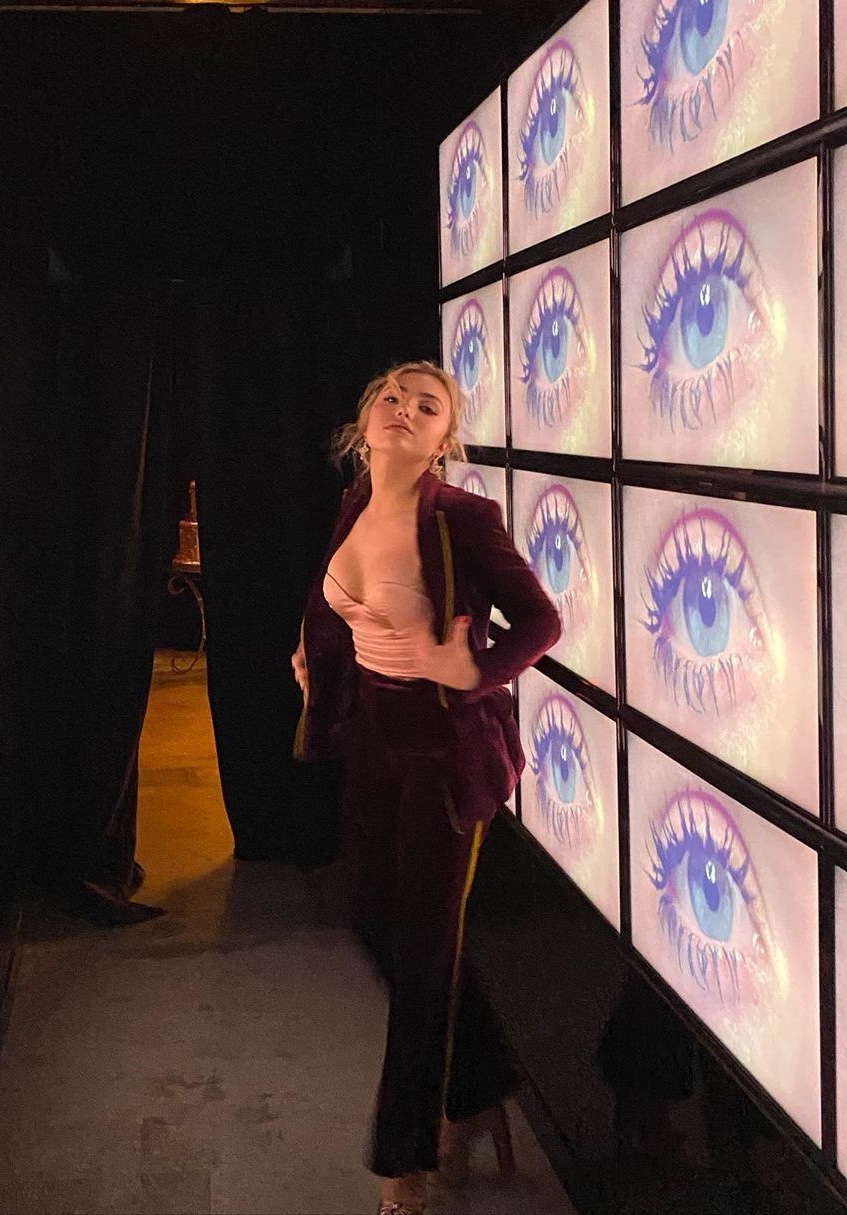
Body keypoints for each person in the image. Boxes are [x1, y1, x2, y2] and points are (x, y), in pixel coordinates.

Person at [291, 360, 562, 1215]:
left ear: (446, 438)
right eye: (391, 396)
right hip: (373, 742)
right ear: (365, 420)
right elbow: (334, 599)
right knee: (374, 921)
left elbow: (543, 621)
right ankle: (479, 1085)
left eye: (426, 404)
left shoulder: (464, 520)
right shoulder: (355, 503)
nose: (403, 408)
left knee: (418, 960)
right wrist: (313, 657)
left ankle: (405, 1160)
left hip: (447, 753)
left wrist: (472, 668)